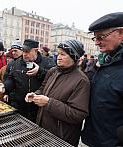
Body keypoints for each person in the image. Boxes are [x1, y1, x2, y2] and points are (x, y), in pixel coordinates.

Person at [25, 40, 90, 146]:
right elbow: (43, 88)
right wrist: (35, 94)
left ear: (74, 57)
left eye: (63, 54)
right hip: (43, 129)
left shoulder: (82, 81)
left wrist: (48, 103)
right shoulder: (53, 71)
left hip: (62, 137)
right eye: (58, 53)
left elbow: (77, 114)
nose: (58, 57)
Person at [81, 12, 123, 146]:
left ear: (121, 33)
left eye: (101, 37)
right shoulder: (104, 61)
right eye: (95, 38)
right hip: (95, 137)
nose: (97, 43)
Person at [4, 39, 55, 122]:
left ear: (36, 50)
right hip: (20, 106)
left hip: (38, 108)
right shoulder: (16, 63)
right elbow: (11, 78)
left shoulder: (48, 62)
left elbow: (54, 78)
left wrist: (40, 72)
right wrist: (4, 87)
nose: (24, 54)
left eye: (27, 51)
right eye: (23, 51)